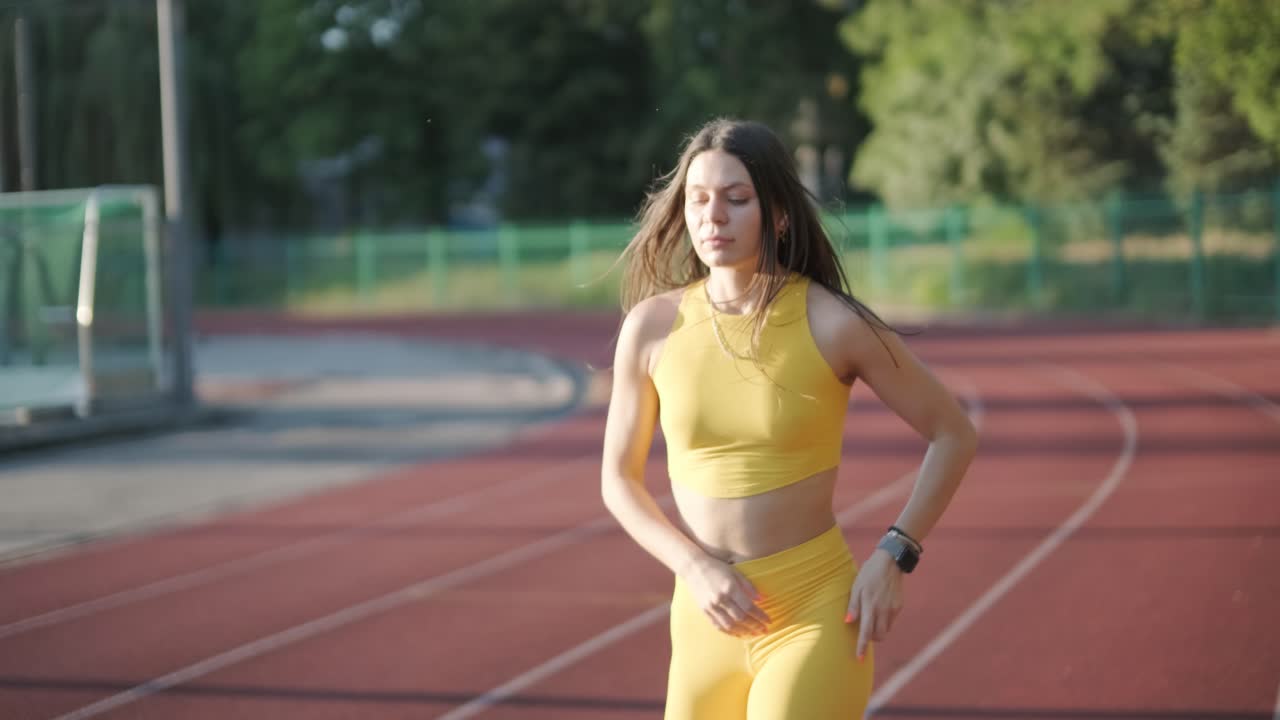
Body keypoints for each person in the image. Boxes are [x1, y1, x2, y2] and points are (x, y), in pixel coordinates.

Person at [599, 118, 979, 719]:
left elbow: (953, 432)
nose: (712, 217)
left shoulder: (832, 323)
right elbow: (618, 480)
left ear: (776, 213)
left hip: (812, 611)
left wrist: (896, 553)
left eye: (736, 198)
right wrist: (693, 566)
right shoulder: (650, 327)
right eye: (698, 200)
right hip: (703, 612)